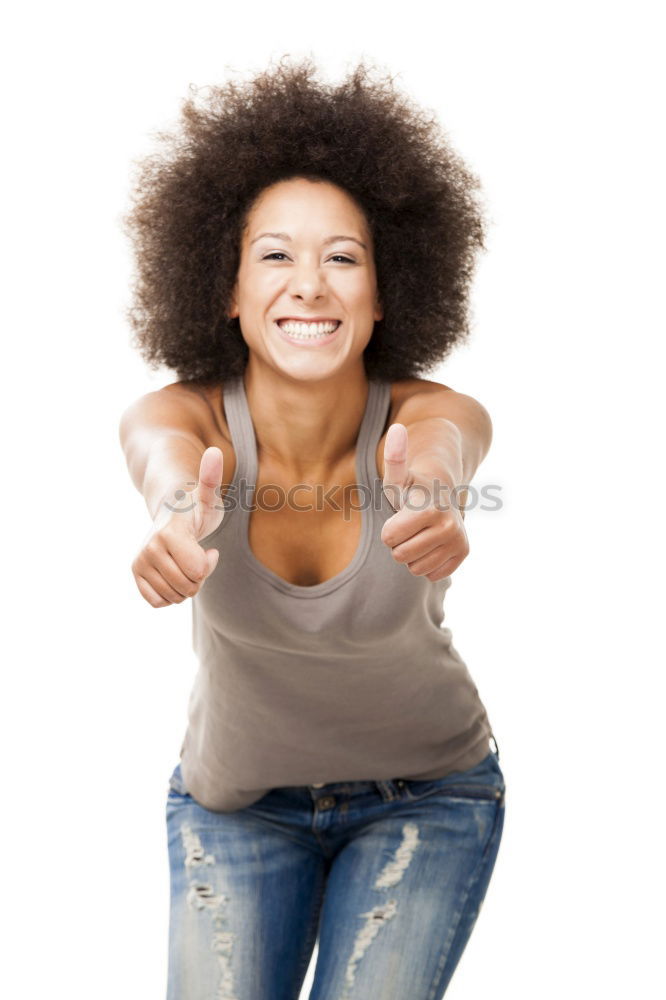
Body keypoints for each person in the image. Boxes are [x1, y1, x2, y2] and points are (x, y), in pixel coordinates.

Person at [119, 56, 506, 1000]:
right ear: (227, 287)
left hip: (429, 798)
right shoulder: (181, 418)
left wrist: (440, 499)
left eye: (343, 257)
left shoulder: (432, 415)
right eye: (275, 256)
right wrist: (180, 517)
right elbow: (165, 463)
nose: (311, 285)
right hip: (234, 811)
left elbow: (451, 448)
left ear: (383, 293)